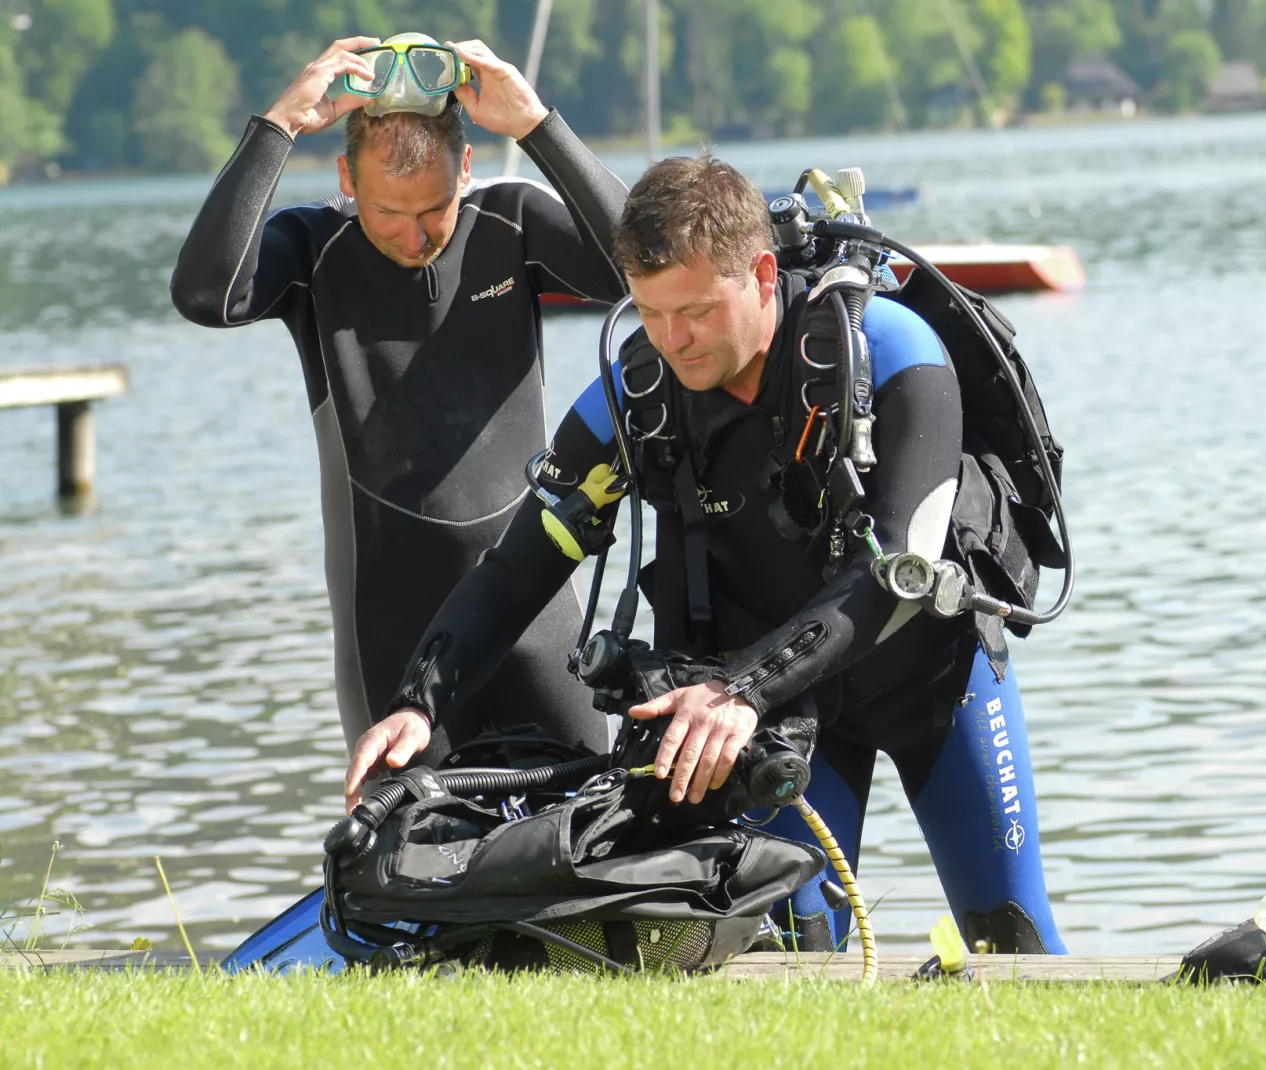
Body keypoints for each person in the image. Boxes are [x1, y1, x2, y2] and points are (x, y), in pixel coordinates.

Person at [345, 155, 1068, 955]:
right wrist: (420, 699)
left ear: (762, 273)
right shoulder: (636, 394)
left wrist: (741, 690)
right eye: (650, 313)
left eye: (693, 310)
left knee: (1016, 944)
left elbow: (895, 577)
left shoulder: (891, 351)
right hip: (770, 720)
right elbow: (519, 568)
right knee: (794, 963)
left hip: (931, 686)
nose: (672, 339)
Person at [170, 34, 625, 764]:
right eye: (388, 212)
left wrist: (538, 125)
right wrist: (279, 125)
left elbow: (651, 266)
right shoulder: (312, 250)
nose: (415, 235)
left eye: (435, 209)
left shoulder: (510, 221)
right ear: (348, 178)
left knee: (588, 845)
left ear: (467, 166)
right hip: (391, 638)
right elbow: (203, 294)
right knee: (405, 864)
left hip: (535, 625)